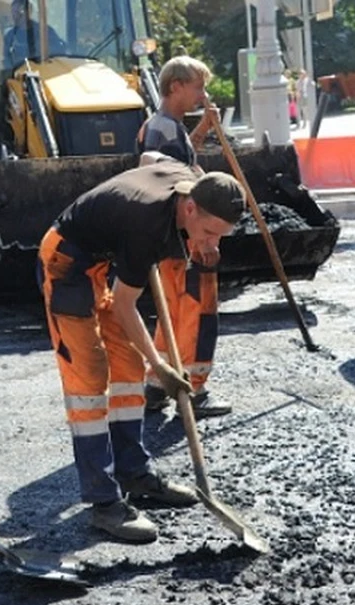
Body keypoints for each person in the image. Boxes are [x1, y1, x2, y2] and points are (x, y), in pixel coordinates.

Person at [38, 153, 247, 542]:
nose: (213, 242)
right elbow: (124, 303)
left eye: (222, 235)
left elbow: (151, 157)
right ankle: (104, 504)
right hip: (66, 262)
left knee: (128, 369)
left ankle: (135, 474)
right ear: (188, 207)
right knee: (89, 378)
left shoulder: (192, 181)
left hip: (99, 262)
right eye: (210, 232)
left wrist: (203, 240)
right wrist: (162, 367)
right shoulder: (146, 224)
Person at [136, 56, 232, 419]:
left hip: (169, 238)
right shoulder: (165, 130)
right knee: (197, 311)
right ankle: (194, 388)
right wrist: (206, 240)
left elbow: (182, 161)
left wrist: (205, 127)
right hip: (187, 237)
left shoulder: (161, 127)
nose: (202, 95)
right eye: (197, 87)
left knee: (173, 311)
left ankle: (159, 383)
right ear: (175, 86)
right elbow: (181, 184)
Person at [3, 0, 67, 68]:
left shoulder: (45, 32)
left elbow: (59, 52)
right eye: (13, 13)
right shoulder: (10, 36)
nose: (14, 17)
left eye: (17, 13)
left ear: (27, 12)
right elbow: (6, 59)